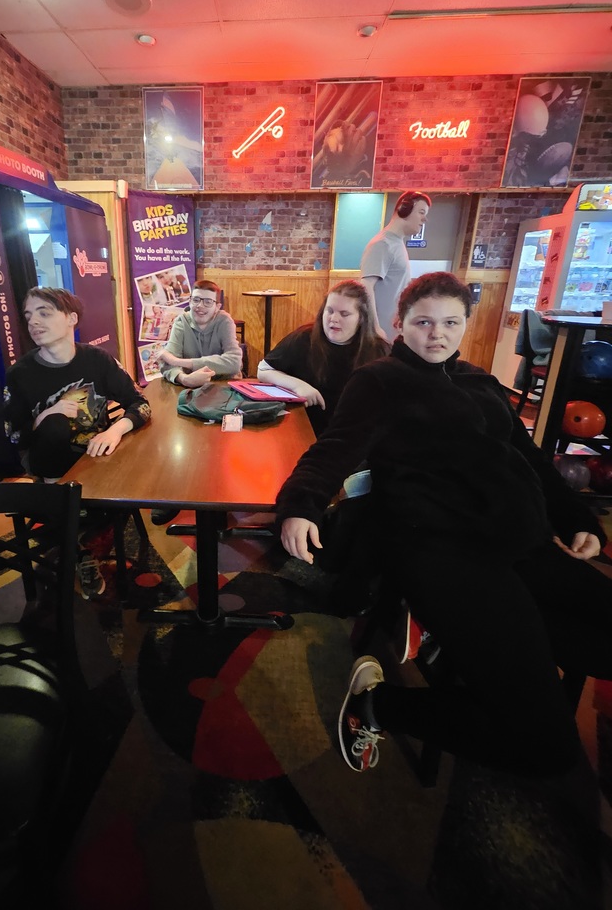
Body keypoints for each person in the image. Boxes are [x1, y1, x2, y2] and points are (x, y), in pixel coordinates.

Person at [277, 271, 612, 779]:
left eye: (451, 322)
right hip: (446, 554)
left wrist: (574, 515)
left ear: (465, 325)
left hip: (526, 543)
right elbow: (336, 447)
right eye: (424, 322)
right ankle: (378, 704)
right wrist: (300, 503)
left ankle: (521, 654)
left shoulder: (479, 380)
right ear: (399, 324)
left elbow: (528, 456)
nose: (438, 334)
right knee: (547, 749)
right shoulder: (380, 379)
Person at [4, 288, 152, 596]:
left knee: (142, 467)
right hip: (48, 462)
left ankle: (75, 532)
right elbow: (13, 434)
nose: (34, 322)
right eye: (29, 316)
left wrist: (114, 431)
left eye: (44, 313)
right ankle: (78, 548)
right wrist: (44, 416)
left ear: (71, 319)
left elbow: (141, 404)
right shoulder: (21, 374)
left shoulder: (97, 360)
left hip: (96, 452)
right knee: (56, 426)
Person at [153, 279, 243, 525]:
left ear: (217, 305)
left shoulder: (224, 320)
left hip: (225, 390)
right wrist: (184, 378)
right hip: (189, 389)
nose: (200, 306)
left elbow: (234, 362)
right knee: (174, 439)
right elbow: (164, 363)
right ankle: (174, 495)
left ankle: (220, 501)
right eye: (195, 300)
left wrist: (183, 363)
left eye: (207, 301)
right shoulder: (182, 321)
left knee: (222, 448)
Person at [257, 280, 389, 436]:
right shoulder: (304, 338)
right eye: (330, 310)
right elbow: (263, 370)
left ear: (361, 318)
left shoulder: (378, 349)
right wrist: (299, 386)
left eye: (344, 314)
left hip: (355, 437)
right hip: (307, 430)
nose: (334, 318)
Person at [360, 191, 431, 342]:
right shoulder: (382, 244)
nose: (424, 219)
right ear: (403, 209)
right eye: (421, 212)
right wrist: (376, 328)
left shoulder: (396, 243)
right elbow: (366, 286)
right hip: (381, 335)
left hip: (392, 331)